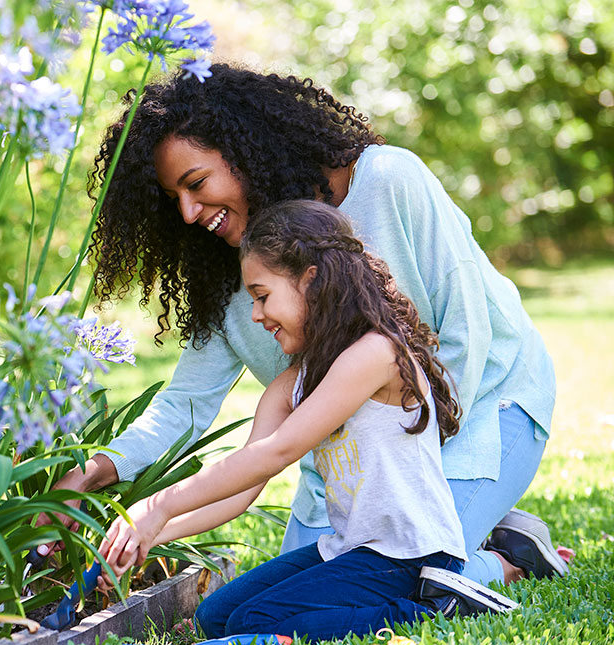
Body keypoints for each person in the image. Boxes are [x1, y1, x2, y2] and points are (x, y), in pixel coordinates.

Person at [38, 63, 565, 598]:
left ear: (246, 150)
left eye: (197, 184)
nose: (190, 212)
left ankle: (507, 561)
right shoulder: (232, 279)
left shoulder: (386, 181)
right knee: (299, 591)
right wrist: (93, 472)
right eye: (175, 199)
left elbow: (467, 333)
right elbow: (183, 406)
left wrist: (412, 483)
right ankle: (488, 529)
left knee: (406, 582)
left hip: (484, 409)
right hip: (351, 465)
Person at [98, 200, 515, 641]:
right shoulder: (292, 383)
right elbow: (242, 488)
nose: (256, 314)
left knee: (253, 624)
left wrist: (159, 504)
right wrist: (150, 535)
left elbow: (278, 452)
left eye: (262, 296)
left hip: (411, 556)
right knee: (216, 617)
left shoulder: (377, 354)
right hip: (351, 550)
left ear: (310, 281)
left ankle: (440, 609)